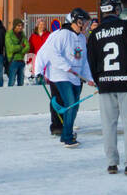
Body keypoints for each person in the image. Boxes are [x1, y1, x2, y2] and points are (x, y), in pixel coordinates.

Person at [86, 0, 127, 175]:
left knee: (108, 124)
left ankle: (111, 163)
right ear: (117, 9)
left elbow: (91, 60)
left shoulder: (95, 33)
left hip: (105, 84)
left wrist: (99, 80)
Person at [34, 8, 93, 148]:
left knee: (74, 106)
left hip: (75, 77)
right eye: (84, 22)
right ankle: (66, 136)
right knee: (70, 103)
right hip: (60, 75)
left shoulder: (82, 38)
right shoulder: (61, 35)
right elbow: (50, 53)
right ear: (77, 21)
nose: (86, 25)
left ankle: (67, 132)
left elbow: (83, 61)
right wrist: (40, 72)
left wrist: (89, 78)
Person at [5, 18, 30, 87]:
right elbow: (11, 48)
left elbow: (27, 46)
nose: (20, 27)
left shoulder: (22, 34)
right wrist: (21, 46)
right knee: (12, 81)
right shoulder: (9, 34)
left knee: (21, 82)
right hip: (13, 60)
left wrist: (21, 51)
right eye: (18, 26)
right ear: (14, 26)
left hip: (21, 60)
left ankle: (20, 96)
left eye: (21, 26)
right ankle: (9, 96)